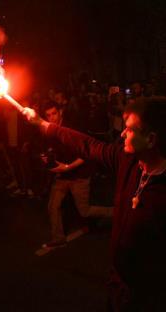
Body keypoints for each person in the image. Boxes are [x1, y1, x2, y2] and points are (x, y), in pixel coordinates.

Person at [22, 97, 166, 311]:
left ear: (151, 139)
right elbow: (89, 145)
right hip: (119, 292)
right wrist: (43, 125)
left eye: (129, 130)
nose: (122, 134)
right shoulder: (128, 160)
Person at [40, 102, 112, 248]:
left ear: (60, 112)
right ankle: (58, 238)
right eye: (48, 115)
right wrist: (46, 158)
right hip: (62, 176)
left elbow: (86, 154)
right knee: (53, 206)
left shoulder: (72, 129)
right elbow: (48, 150)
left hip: (80, 174)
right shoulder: (48, 130)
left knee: (84, 211)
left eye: (54, 113)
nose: (51, 117)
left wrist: (68, 167)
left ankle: (118, 212)